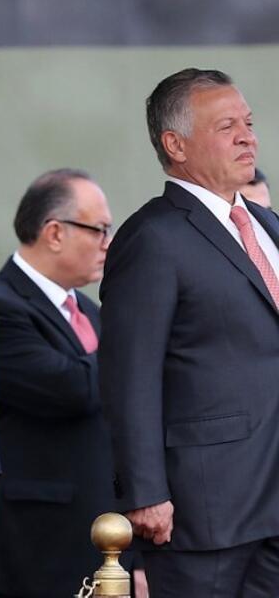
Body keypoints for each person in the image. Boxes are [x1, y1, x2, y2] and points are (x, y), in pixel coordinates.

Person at [100, 68, 279, 596]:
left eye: (248, 122)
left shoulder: (267, 226)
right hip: (203, 512)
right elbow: (129, 374)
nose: (248, 136)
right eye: (227, 126)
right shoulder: (153, 236)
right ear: (174, 144)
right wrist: (144, 492)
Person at [0, 169, 146, 597]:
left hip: (102, 536)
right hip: (35, 541)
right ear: (54, 232)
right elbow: (72, 389)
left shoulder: (89, 310)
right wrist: (134, 336)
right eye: (99, 229)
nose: (108, 242)